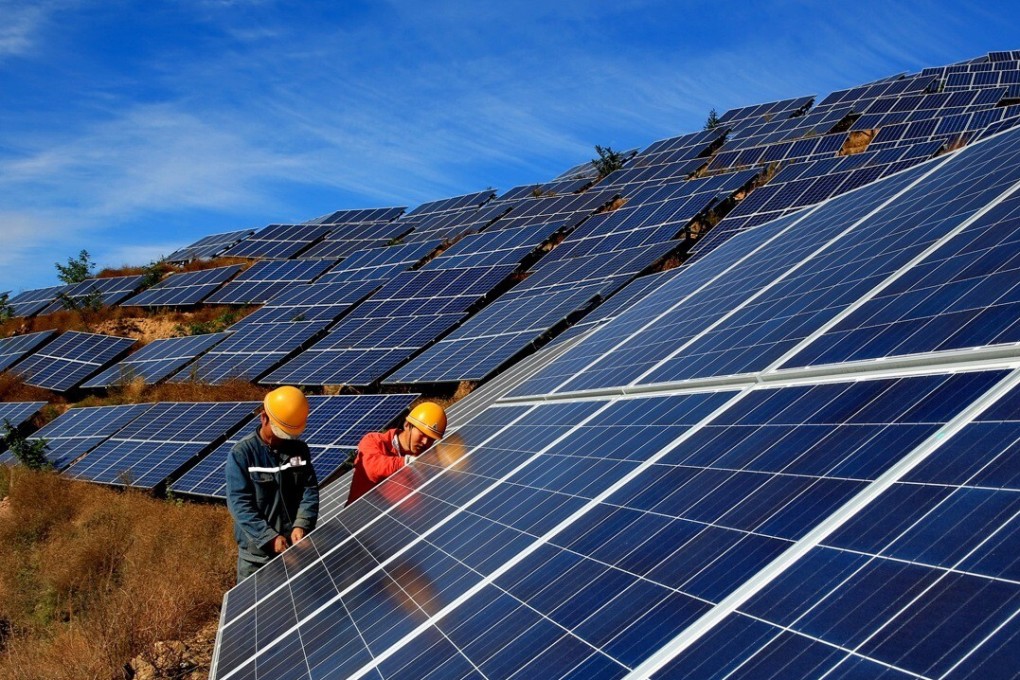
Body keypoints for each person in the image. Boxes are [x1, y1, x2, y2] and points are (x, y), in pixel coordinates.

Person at [226, 385, 319, 581]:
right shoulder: (242, 454)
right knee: (254, 611)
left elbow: (308, 490)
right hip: (257, 560)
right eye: (280, 433)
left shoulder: (299, 450)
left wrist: (301, 524)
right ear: (264, 418)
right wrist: (269, 537)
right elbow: (239, 504)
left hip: (294, 553)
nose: (284, 440)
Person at [346, 401, 446, 506]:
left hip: (396, 520)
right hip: (358, 515)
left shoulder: (425, 462)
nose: (425, 442)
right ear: (407, 425)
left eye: (431, 439)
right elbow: (372, 467)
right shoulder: (373, 440)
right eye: (422, 434)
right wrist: (407, 463)